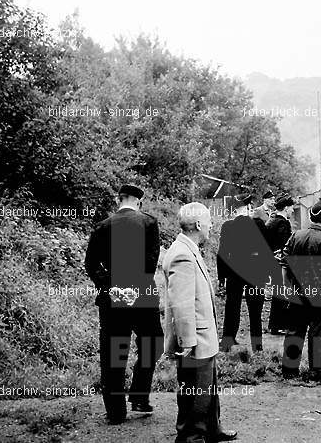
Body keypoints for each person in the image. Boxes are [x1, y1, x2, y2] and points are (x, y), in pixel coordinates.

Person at [85, 184, 163, 424]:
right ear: (139, 201)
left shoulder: (102, 226)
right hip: (143, 297)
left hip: (112, 299)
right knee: (153, 344)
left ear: (118, 200)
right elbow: (151, 263)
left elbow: (91, 265)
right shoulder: (149, 223)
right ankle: (139, 394)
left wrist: (111, 286)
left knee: (113, 354)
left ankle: (115, 412)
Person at [162, 202, 237, 443]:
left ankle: (212, 429)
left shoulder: (187, 248)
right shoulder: (182, 253)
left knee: (208, 387)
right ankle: (191, 436)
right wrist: (188, 341)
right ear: (197, 224)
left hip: (203, 335)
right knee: (195, 392)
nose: (211, 226)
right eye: (208, 222)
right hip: (194, 338)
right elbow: (181, 304)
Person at [280, 201, 321, 382]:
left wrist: (286, 288)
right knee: (319, 334)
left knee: (294, 332)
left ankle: (289, 372)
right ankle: (317, 373)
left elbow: (284, 265)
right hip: (320, 297)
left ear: (310, 218)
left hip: (297, 294)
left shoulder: (295, 236)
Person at [217, 193, 272, 352]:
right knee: (255, 311)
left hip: (234, 274)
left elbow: (221, 254)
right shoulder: (259, 225)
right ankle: (257, 346)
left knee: (232, 306)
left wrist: (222, 277)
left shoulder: (227, 226)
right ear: (248, 207)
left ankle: (227, 341)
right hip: (255, 274)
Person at [265, 194, 295, 335]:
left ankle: (275, 325)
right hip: (280, 263)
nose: (293, 211)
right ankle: (280, 325)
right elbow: (285, 246)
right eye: (291, 208)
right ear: (286, 208)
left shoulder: (271, 221)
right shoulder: (282, 223)